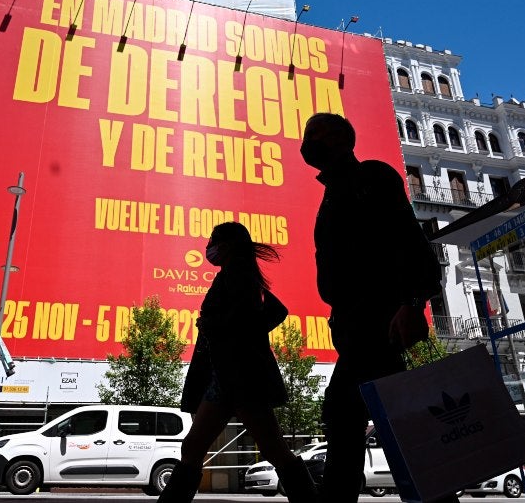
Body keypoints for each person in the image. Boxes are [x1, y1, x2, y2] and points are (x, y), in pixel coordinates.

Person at [300, 112, 448, 503]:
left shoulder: (372, 178)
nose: (308, 142)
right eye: (306, 136)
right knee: (391, 421)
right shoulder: (331, 194)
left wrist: (414, 303)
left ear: (343, 141)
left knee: (345, 416)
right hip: (352, 325)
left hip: (377, 321)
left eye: (317, 135)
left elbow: (410, 241)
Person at [158, 222, 317, 503]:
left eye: (213, 240)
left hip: (237, 377)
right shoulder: (240, 274)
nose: (209, 246)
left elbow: (252, 317)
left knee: (263, 448)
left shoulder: (236, 275)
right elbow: (273, 311)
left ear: (229, 244)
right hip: (232, 377)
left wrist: (215, 326)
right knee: (202, 447)